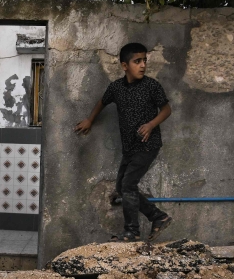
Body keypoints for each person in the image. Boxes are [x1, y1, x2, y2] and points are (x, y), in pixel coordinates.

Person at [74, 42, 173, 242]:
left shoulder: (152, 86)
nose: (143, 65)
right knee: (122, 186)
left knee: (128, 184)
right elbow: (102, 102)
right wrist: (90, 120)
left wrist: (151, 124)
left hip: (148, 145)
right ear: (124, 65)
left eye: (144, 60)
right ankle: (158, 216)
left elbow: (166, 110)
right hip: (129, 147)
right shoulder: (116, 88)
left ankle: (132, 231)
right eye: (137, 61)